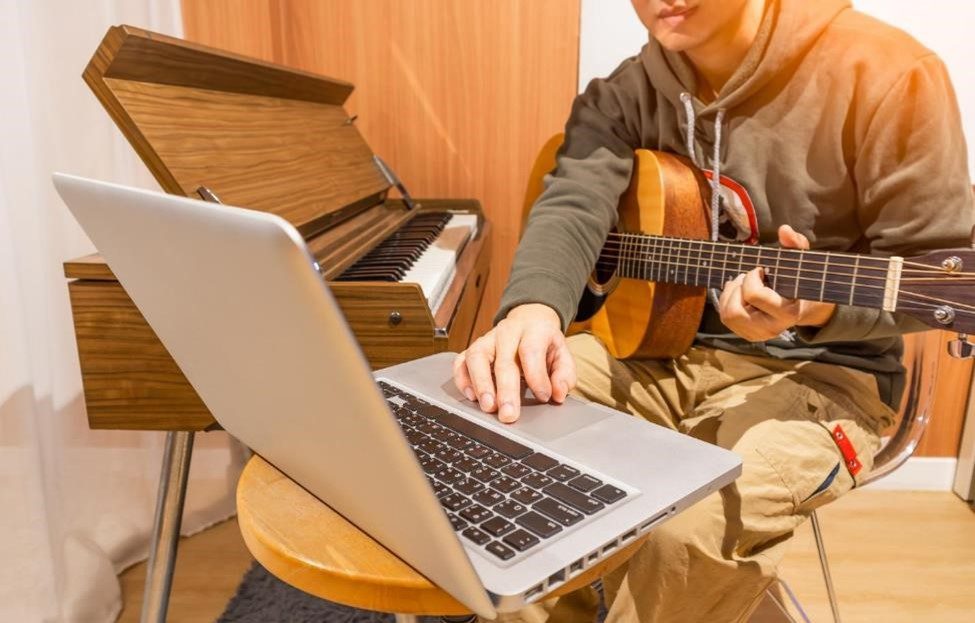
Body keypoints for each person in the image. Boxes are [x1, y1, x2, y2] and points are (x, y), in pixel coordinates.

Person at [453, 0, 974, 621]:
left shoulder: (889, 74)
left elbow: (936, 273)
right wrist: (534, 308)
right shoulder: (627, 90)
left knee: (690, 528)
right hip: (653, 352)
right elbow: (571, 200)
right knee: (488, 431)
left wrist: (814, 310)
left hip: (828, 375)